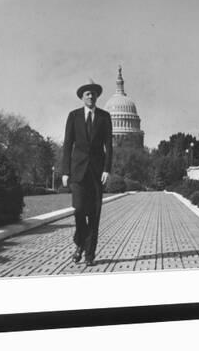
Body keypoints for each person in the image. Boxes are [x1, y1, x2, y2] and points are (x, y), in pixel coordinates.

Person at [61, 80, 112, 266]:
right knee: (80, 210)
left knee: (95, 214)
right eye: (87, 94)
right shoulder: (73, 116)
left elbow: (109, 145)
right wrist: (65, 171)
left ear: (97, 96)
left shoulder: (105, 117)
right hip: (77, 172)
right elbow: (67, 144)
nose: (90, 96)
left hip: (97, 173)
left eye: (93, 93)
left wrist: (107, 168)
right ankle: (80, 243)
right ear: (82, 97)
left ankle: (89, 255)